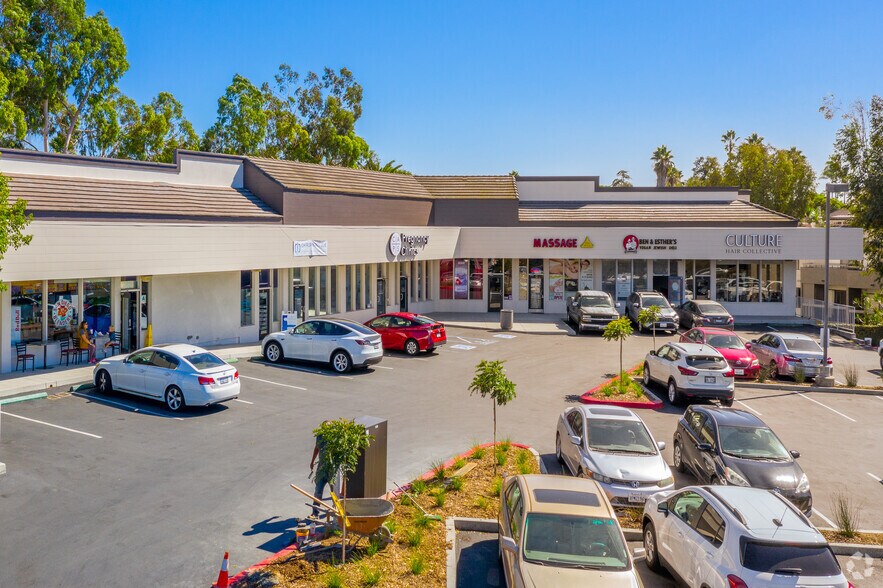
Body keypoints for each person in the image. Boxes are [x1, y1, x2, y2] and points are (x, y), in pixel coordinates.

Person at [309, 422, 333, 517]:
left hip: (332, 470)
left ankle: (337, 511)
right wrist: (312, 461)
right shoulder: (319, 436)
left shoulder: (335, 438)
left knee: (334, 493)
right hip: (321, 468)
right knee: (318, 491)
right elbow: (317, 448)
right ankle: (315, 512)